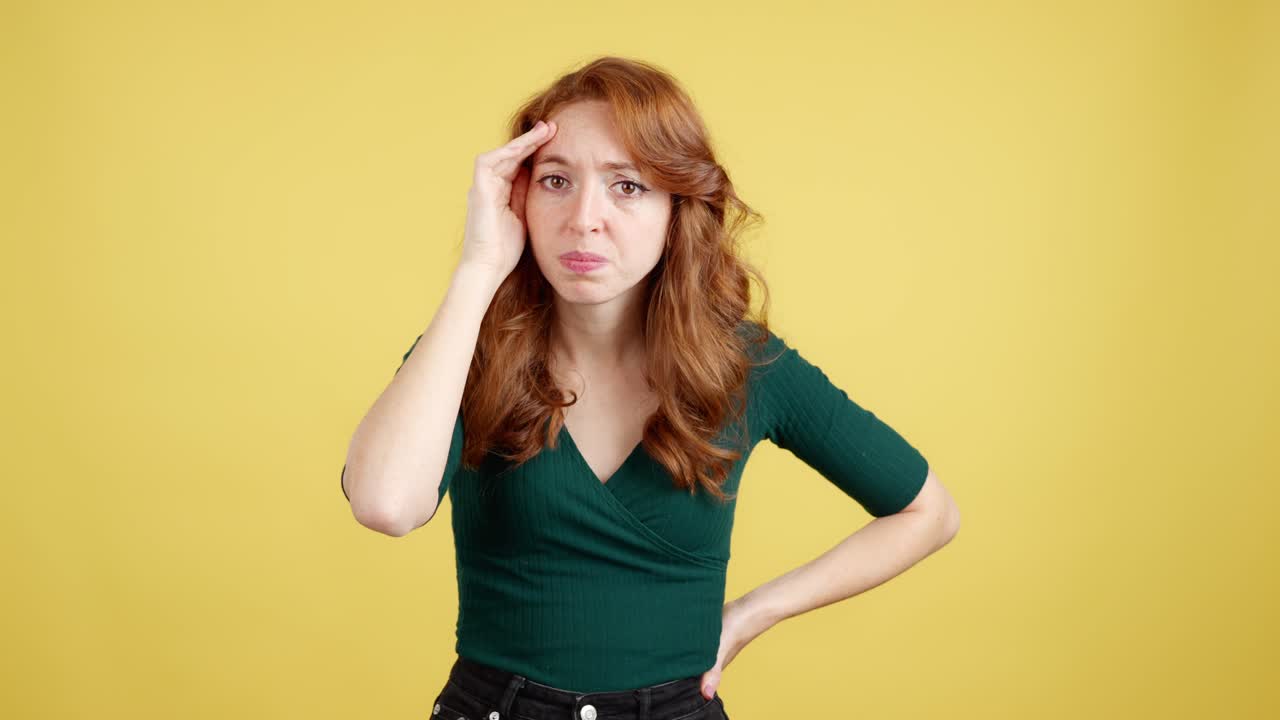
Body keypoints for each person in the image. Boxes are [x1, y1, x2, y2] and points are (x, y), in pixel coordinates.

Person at [340, 56, 960, 720]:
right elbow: (385, 505)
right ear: (518, 199)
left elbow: (929, 513)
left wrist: (754, 613)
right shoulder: (467, 349)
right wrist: (477, 268)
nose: (584, 219)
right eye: (555, 181)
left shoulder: (742, 363)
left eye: (627, 186)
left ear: (677, 207)